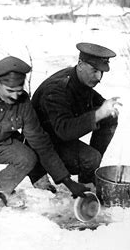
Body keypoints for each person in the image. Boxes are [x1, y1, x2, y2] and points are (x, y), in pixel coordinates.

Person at [0, 56, 90, 215]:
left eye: (19, 91)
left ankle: (2, 188)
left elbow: (41, 143)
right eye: (10, 91)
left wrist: (66, 180)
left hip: (0, 145)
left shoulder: (23, 103)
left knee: (28, 157)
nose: (14, 96)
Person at [29, 42, 121, 188]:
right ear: (80, 64)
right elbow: (65, 130)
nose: (99, 77)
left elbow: (98, 103)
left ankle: (88, 177)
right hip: (40, 146)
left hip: (57, 137)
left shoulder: (80, 79)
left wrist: (108, 109)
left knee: (109, 116)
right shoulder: (56, 89)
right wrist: (97, 115)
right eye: (95, 70)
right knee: (91, 158)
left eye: (102, 72)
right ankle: (38, 171)